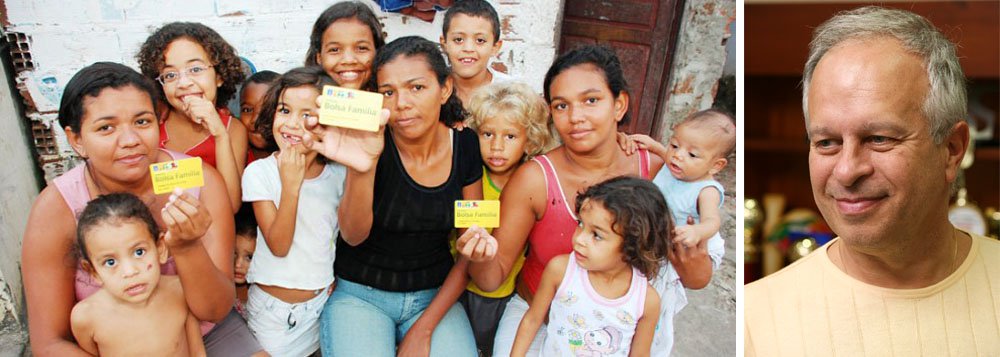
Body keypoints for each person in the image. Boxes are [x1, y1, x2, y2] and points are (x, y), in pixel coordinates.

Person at [744, 6, 1000, 356]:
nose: (847, 171)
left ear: (952, 150)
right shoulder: (753, 322)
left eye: (879, 138)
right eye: (826, 143)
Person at [456, 45, 716, 356]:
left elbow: (696, 277)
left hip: (619, 331)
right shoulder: (534, 179)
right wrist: (480, 255)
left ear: (619, 105)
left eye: (591, 100)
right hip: (539, 320)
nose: (575, 117)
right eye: (561, 105)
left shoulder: (658, 174)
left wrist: (694, 260)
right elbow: (491, 279)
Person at [21, 62, 263, 356]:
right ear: (76, 140)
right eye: (106, 128)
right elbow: (49, 343)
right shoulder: (56, 207)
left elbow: (214, 309)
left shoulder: (198, 181)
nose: (131, 141)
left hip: (204, 333)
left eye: (142, 122)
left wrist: (187, 248)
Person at [303, 36, 480, 356]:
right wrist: (363, 168)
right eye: (388, 92)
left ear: (445, 88)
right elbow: (353, 236)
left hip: (434, 296)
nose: (402, 103)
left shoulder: (467, 145)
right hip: (361, 296)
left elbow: (471, 245)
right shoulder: (368, 143)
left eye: (417, 87)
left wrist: (423, 329)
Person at [241, 67, 350, 356]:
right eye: (284, 110)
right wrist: (291, 186)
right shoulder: (260, 173)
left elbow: (338, 235)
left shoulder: (339, 174)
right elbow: (278, 245)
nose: (291, 124)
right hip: (274, 315)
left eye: (306, 115)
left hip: (321, 306)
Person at [511, 176, 666, 357]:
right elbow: (532, 321)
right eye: (580, 224)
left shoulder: (646, 301)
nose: (579, 239)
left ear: (633, 245)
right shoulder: (560, 270)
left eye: (596, 235)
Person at [459, 82, 557, 355]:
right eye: (487, 134)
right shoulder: (468, 176)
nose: (497, 147)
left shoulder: (533, 182)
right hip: (459, 289)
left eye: (510, 136)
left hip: (508, 295)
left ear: (531, 139)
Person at [70, 193, 205, 357]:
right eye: (110, 262)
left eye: (139, 252)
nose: (130, 272)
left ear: (160, 249)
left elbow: (197, 352)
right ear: (93, 271)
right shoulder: (85, 317)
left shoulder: (181, 291)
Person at [137, 22, 249, 211]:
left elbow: (230, 206)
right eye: (170, 75)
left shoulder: (232, 129)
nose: (184, 83)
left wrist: (220, 135)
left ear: (219, 76)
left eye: (195, 70)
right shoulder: (152, 124)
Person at [631, 109, 734, 249]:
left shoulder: (707, 191)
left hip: (689, 247)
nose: (677, 155)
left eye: (692, 154)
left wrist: (697, 231)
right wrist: (653, 145)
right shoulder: (677, 166)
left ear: (716, 165)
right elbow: (665, 155)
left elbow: (712, 221)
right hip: (662, 236)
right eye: (674, 145)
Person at [440, 0, 512, 106]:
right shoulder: (434, 89)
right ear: (444, 43)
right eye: (458, 39)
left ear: (495, 47)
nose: (468, 48)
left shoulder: (511, 93)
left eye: (480, 40)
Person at [305, 0, 385, 91]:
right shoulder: (300, 101)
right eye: (334, 50)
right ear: (319, 58)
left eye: (361, 48)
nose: (349, 60)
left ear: (378, 52)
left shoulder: (394, 101)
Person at [239, 70, 280, 163]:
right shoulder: (235, 155)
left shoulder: (297, 158)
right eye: (247, 110)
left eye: (266, 109)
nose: (255, 119)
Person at [233, 203, 258, 318]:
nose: (238, 264)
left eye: (249, 257)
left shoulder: (262, 296)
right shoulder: (221, 293)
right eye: (233, 253)